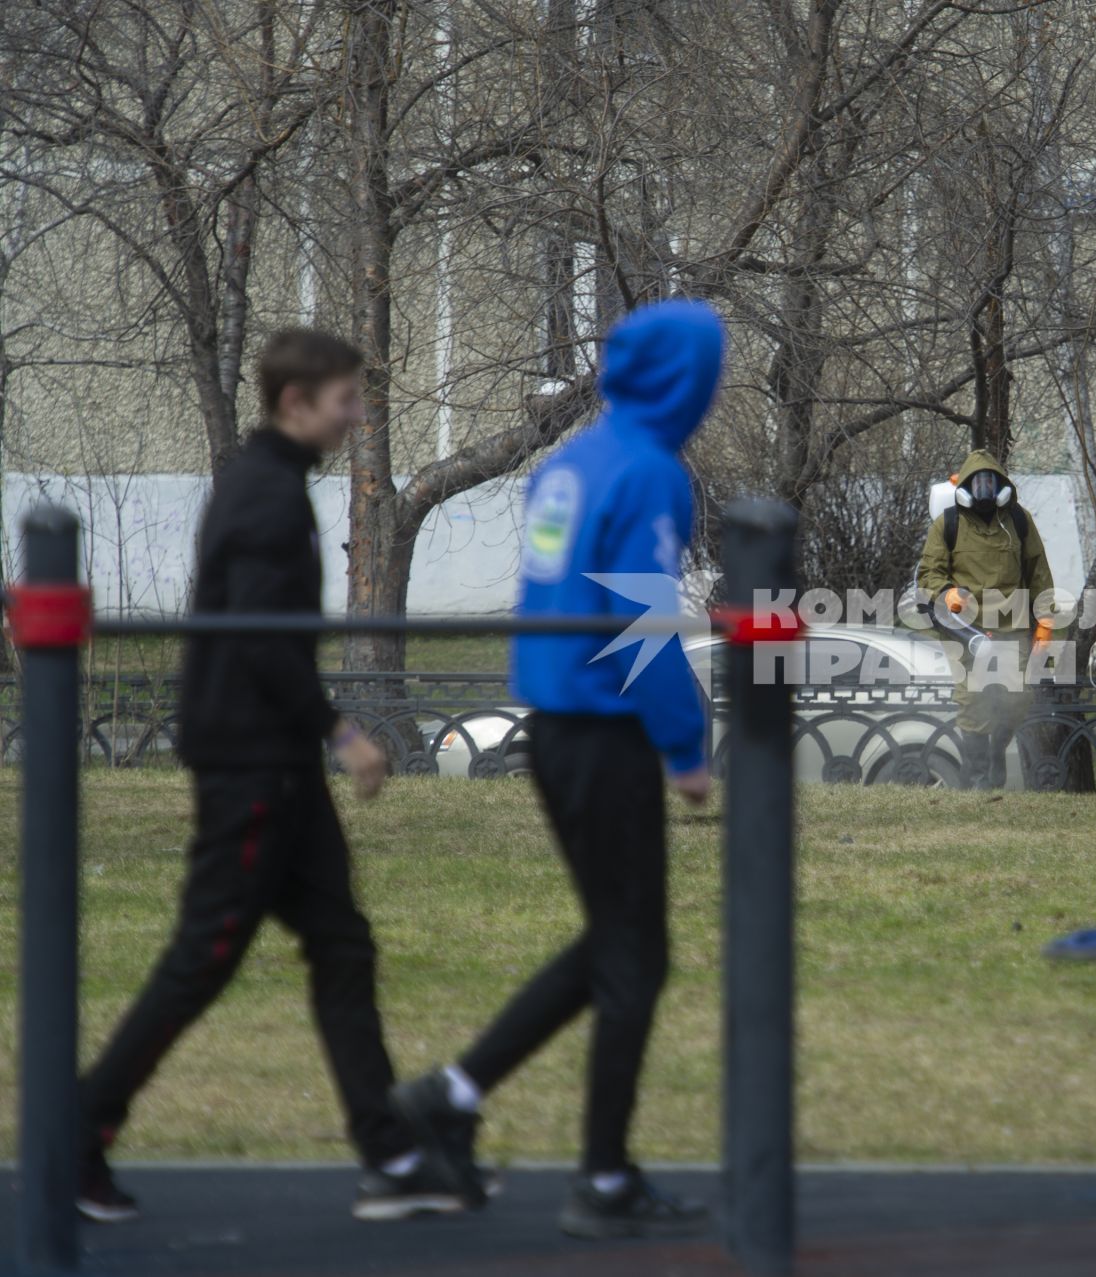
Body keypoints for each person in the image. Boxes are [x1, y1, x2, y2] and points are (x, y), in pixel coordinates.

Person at [78, 329, 466, 1223]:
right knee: (204, 958)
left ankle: (390, 1152)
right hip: (254, 765)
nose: (357, 415)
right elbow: (258, 639)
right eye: (345, 400)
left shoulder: (272, 484)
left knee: (342, 944)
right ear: (295, 401)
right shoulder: (264, 496)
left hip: (277, 764)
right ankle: (78, 1129)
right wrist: (342, 731)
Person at [391, 300, 719, 1240]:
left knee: (615, 944)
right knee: (634, 960)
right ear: (683, 380)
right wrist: (686, 750)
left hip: (554, 726)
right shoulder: (652, 472)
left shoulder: (569, 464)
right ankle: (602, 1178)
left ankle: (451, 1094)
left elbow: (560, 599)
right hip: (608, 733)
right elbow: (641, 625)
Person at [914, 449, 1056, 788]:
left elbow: (1039, 573)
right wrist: (946, 592)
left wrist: (1045, 622)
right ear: (965, 486)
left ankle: (995, 753)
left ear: (1001, 486)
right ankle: (978, 778)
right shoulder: (946, 524)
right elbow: (928, 574)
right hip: (965, 630)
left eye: (991, 482)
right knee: (972, 700)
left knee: (1018, 697)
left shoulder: (1018, 521)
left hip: (1013, 626)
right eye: (978, 483)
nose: (985, 490)